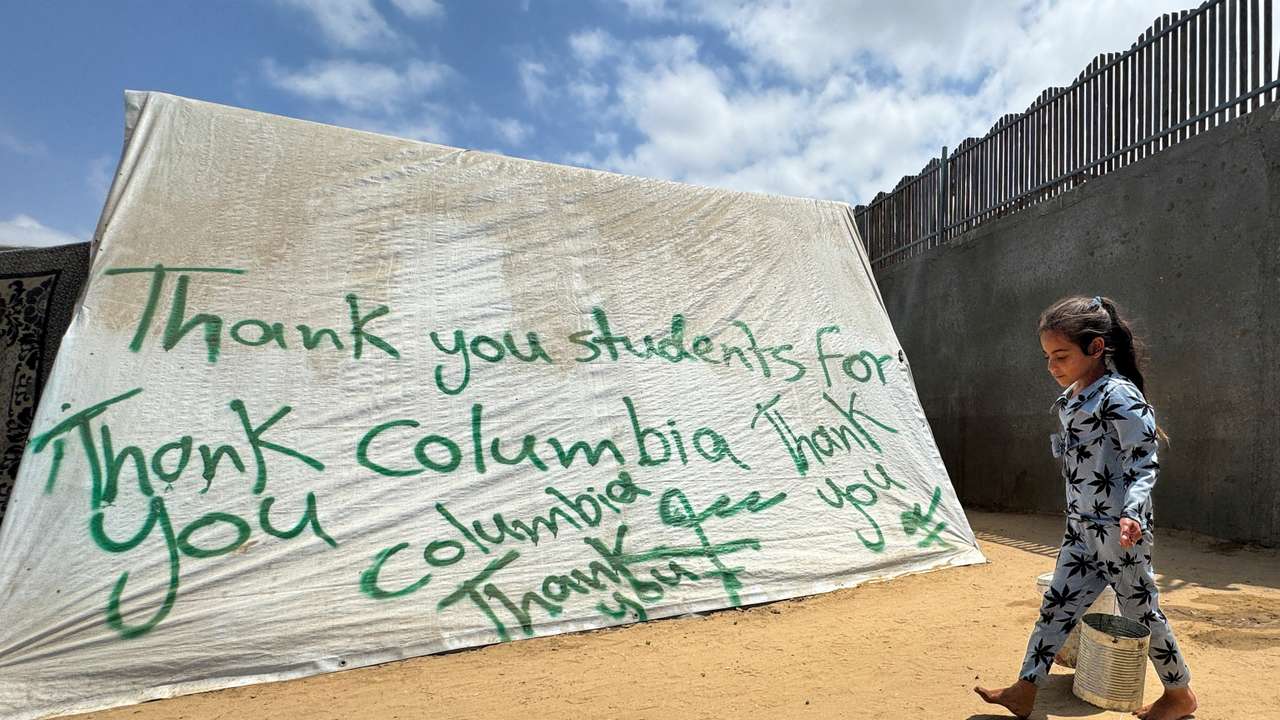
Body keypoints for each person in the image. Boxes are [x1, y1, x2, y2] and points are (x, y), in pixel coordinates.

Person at [974, 295, 1197, 720]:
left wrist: (1131, 512)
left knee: (1141, 612)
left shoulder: (1119, 396)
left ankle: (1179, 694)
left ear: (1095, 348)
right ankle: (1025, 688)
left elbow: (1142, 461)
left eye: (1061, 355)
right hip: (1081, 529)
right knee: (1056, 605)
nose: (1052, 366)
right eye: (1046, 357)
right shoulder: (1075, 397)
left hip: (1119, 531)